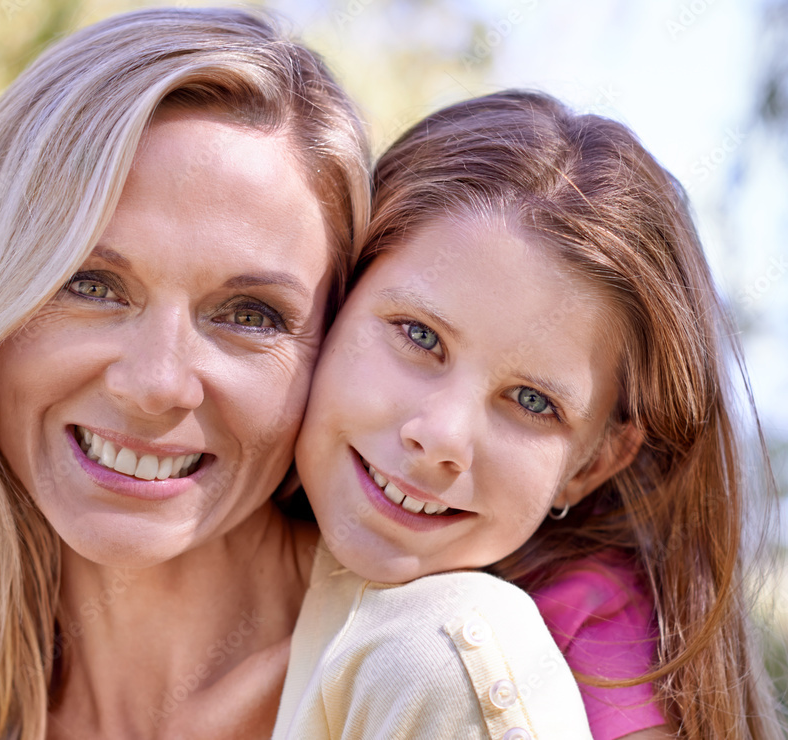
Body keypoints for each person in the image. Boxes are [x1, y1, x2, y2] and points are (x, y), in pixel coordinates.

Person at [0, 9, 598, 740]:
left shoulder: (433, 675)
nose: (157, 384)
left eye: (249, 315)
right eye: (90, 284)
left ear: (331, 342)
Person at [277, 91, 785, 740]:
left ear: (593, 464)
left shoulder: (588, 631)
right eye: (419, 336)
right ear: (335, 300)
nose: (442, 438)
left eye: (532, 402)